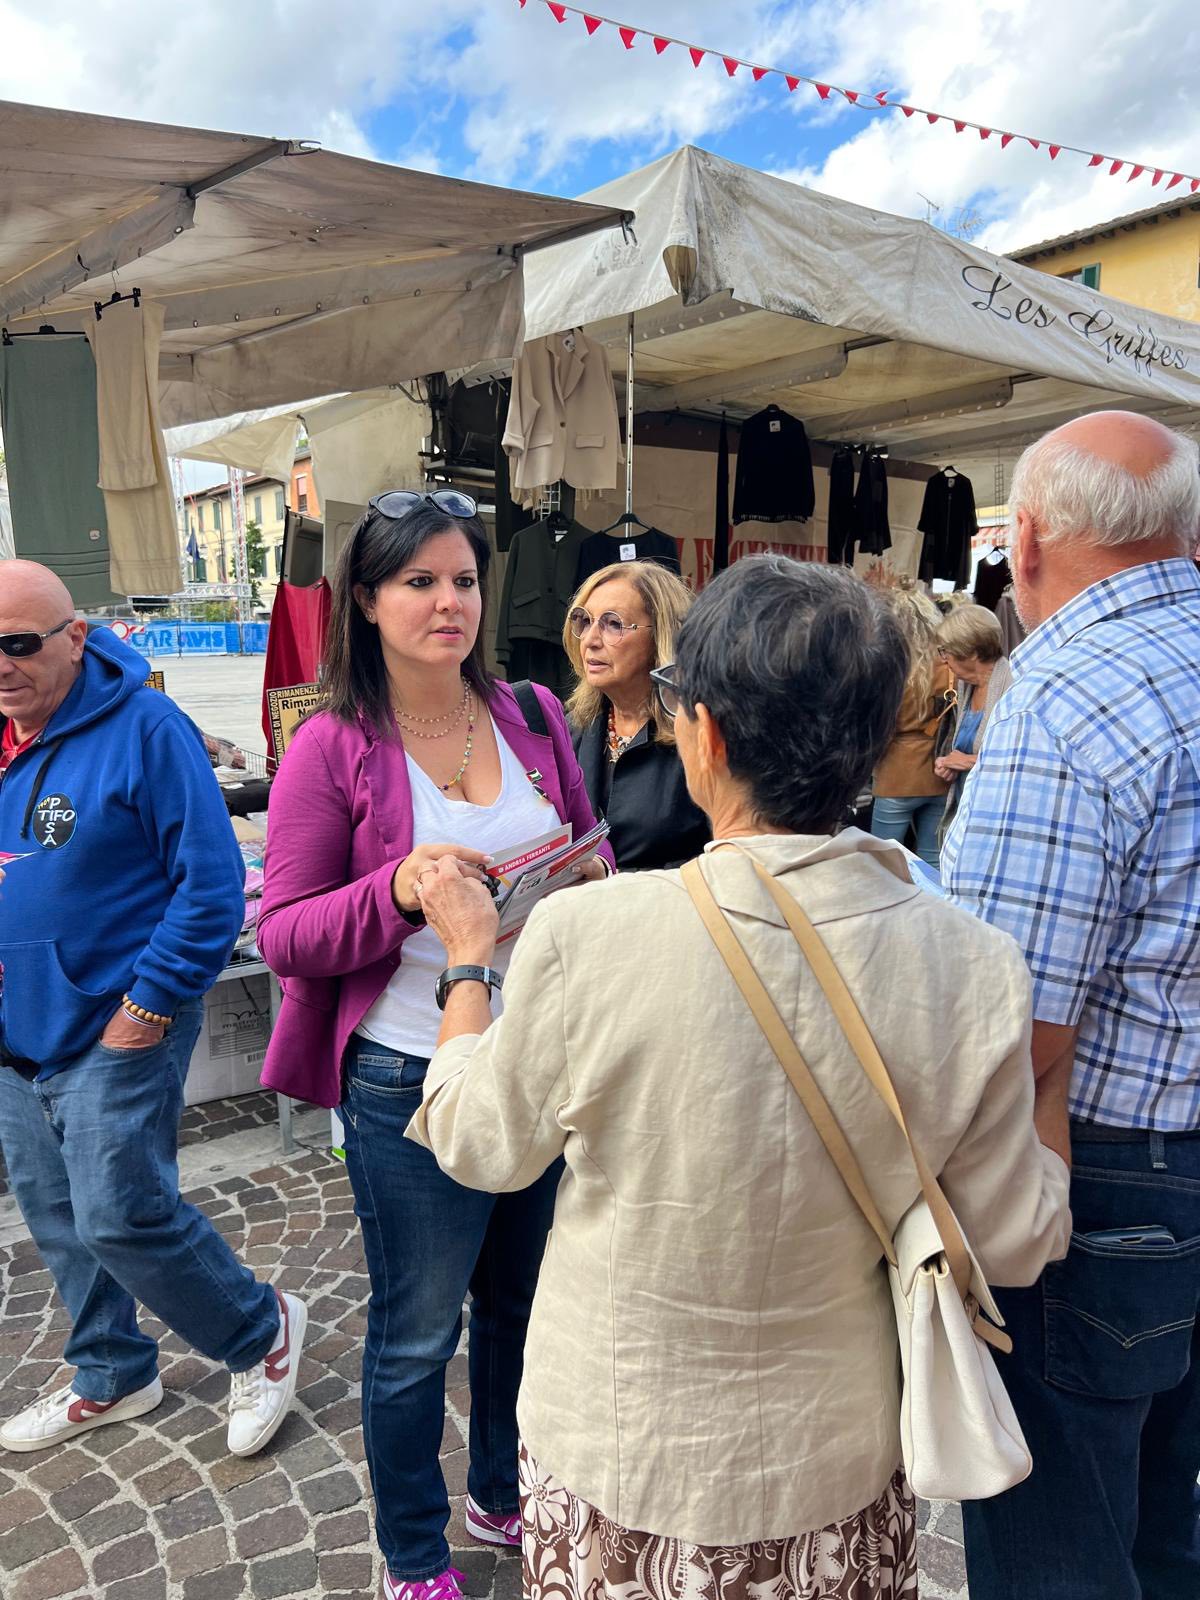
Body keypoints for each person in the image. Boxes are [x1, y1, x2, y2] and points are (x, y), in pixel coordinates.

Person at [405, 556, 1070, 1600]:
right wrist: (1054, 1082)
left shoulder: (590, 934)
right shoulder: (975, 965)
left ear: (704, 734)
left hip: (622, 1451)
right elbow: (1019, 1236)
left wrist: (465, 963)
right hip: (836, 1465)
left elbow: (475, 1141)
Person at [256, 490, 614, 1600]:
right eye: (420, 582)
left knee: (521, 1305)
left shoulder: (532, 713)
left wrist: (586, 878)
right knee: (416, 1333)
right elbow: (284, 931)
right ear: (366, 601)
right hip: (406, 1073)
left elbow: (584, 845)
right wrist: (400, 890)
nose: (449, 602)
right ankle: (412, 1551)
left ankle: (501, 1492)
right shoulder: (331, 746)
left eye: (463, 580)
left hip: (534, 1060)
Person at [943, 412, 1200, 1600]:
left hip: (1101, 1172)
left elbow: (1008, 1023)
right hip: (1161, 1146)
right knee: (1168, 1526)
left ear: (1029, 539)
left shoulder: (1064, 696)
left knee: (1062, 1550)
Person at [0, 560, 302, 1459]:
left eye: (19, 643)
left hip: (116, 1023)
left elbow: (209, 886)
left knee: (118, 1213)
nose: (2, 664)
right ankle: (112, 1371)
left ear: (75, 638)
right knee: (57, 1215)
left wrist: (150, 1006)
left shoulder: (146, 727)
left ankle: (259, 1331)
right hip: (17, 1029)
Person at [565, 559, 708, 871]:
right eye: (584, 621)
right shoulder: (572, 727)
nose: (590, 640)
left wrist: (613, 878)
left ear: (661, 635)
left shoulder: (702, 731)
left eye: (613, 624)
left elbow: (725, 857)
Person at [869, 584, 952, 868]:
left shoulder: (892, 666)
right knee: (932, 860)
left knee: (882, 862)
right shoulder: (948, 665)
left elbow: (881, 725)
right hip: (939, 771)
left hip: (896, 773)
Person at [932, 603, 1012, 840]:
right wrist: (949, 764)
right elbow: (964, 747)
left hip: (993, 818)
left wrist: (968, 761)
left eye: (946, 651)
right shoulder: (965, 686)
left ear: (972, 652)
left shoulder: (1013, 687)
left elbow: (1021, 759)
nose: (944, 660)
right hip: (965, 809)